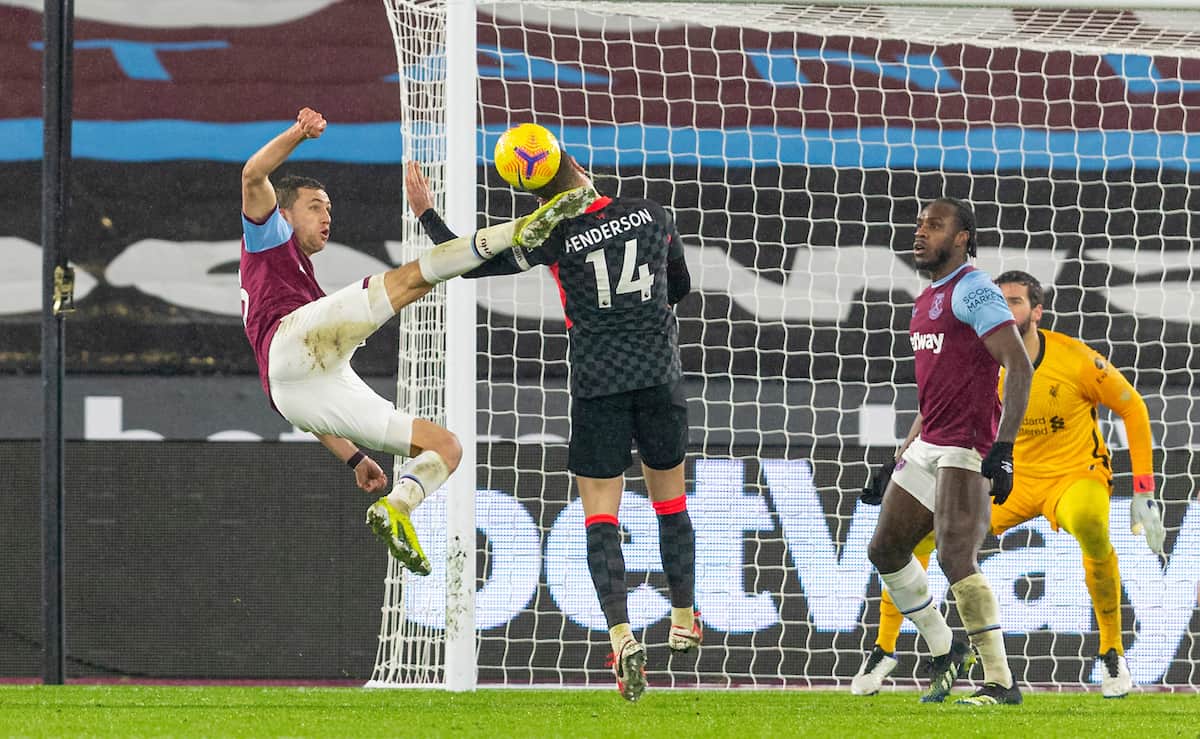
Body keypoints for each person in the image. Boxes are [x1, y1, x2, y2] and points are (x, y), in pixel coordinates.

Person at [238, 108, 595, 577]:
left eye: (329, 208)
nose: (328, 216)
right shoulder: (267, 237)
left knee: (444, 447)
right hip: (292, 342)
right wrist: (299, 134)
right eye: (315, 206)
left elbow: (306, 409)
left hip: (295, 389)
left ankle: (397, 506)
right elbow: (252, 173)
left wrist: (356, 458)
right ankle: (525, 226)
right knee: (413, 279)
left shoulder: (302, 282)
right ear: (284, 213)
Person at [403, 145, 699, 703]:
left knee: (601, 517)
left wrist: (427, 214)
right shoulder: (656, 214)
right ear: (578, 169)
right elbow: (678, 289)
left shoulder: (553, 237)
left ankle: (621, 636)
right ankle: (683, 617)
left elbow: (466, 262)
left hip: (598, 385)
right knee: (670, 503)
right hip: (660, 378)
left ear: (537, 197)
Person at [853, 270, 1166, 699]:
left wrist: (1145, 489)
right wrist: (897, 461)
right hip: (1008, 478)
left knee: (1093, 523)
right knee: (919, 539)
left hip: (1071, 477)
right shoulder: (981, 356)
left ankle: (1112, 651)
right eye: (1000, 301)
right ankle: (884, 648)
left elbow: (1133, 407)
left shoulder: (1075, 359)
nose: (1006, 308)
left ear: (1036, 311)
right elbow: (936, 412)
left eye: (1016, 301)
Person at [862, 198, 1034, 706]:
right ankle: (946, 649)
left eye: (934, 226)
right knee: (885, 549)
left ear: (961, 238)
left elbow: (1018, 368)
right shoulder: (926, 299)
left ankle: (1001, 682)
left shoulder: (976, 291)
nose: (920, 233)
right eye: (919, 225)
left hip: (967, 443)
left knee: (955, 554)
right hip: (931, 439)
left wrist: (1003, 449)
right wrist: (900, 454)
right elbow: (935, 391)